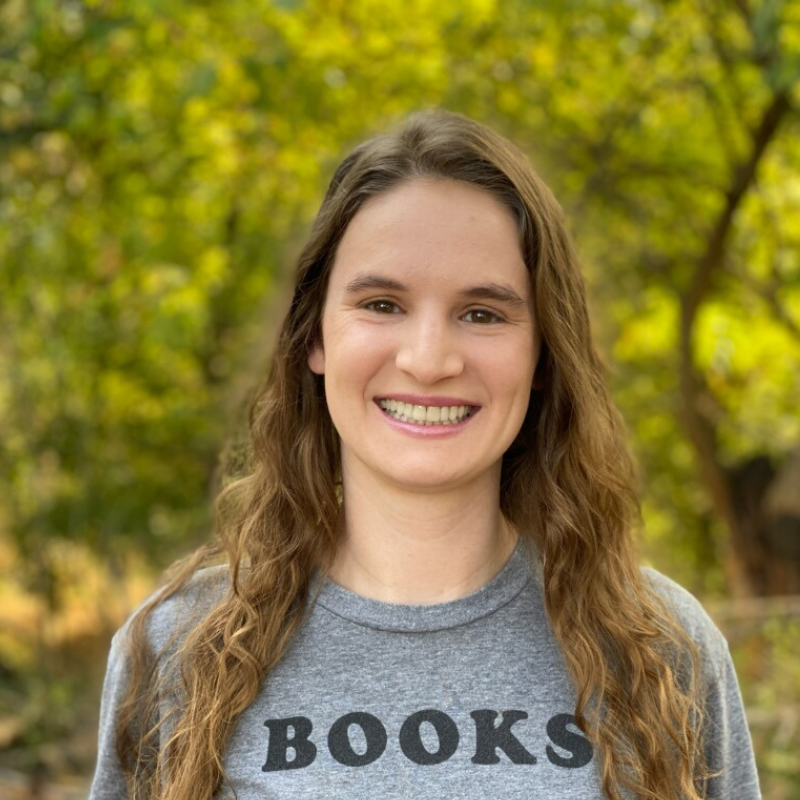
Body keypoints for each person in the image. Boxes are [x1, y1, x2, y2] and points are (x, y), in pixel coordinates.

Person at [88, 110, 761, 800]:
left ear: (541, 355)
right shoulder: (179, 647)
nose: (429, 360)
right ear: (314, 336)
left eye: (482, 314)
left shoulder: (659, 648)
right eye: (382, 304)